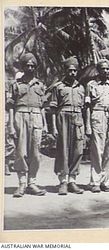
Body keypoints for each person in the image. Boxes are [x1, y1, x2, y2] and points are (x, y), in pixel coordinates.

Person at [7, 52, 47, 197]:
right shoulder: (16, 85)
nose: (30, 68)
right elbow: (10, 106)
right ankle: (22, 183)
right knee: (21, 152)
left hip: (36, 118)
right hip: (20, 116)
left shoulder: (41, 85)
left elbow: (42, 107)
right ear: (23, 67)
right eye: (27, 66)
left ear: (35, 67)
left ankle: (32, 183)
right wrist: (11, 125)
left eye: (32, 66)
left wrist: (46, 125)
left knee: (35, 153)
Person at [50, 56, 85, 195]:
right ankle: (63, 181)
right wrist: (53, 128)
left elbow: (84, 108)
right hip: (62, 117)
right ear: (65, 71)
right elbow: (52, 110)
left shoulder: (81, 88)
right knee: (63, 150)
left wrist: (85, 125)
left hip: (77, 118)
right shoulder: (58, 87)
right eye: (70, 70)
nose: (72, 73)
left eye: (75, 71)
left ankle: (72, 180)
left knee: (78, 149)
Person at [85, 59, 109, 193]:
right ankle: (95, 181)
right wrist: (88, 125)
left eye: (108, 69)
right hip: (97, 116)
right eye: (103, 69)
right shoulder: (91, 85)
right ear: (98, 70)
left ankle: (106, 181)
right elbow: (87, 107)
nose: (106, 71)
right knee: (98, 150)